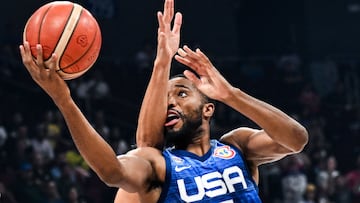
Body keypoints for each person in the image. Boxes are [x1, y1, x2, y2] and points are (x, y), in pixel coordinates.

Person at [20, 0, 308, 202]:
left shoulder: (238, 146)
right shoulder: (156, 165)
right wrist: (64, 100)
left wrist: (231, 94)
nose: (170, 103)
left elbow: (296, 139)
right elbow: (111, 170)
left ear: (209, 108)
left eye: (181, 93)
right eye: (165, 99)